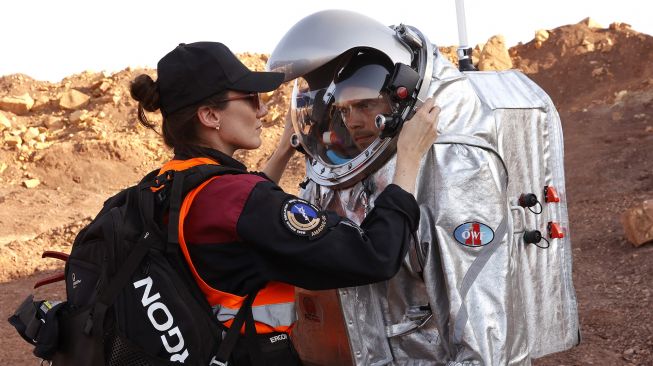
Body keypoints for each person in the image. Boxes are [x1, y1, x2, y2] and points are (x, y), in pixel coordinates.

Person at [129, 41, 440, 366]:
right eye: (250, 98)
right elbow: (375, 256)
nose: (262, 109)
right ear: (209, 115)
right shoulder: (239, 199)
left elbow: (237, 222)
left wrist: (282, 152)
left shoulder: (165, 183)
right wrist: (409, 157)